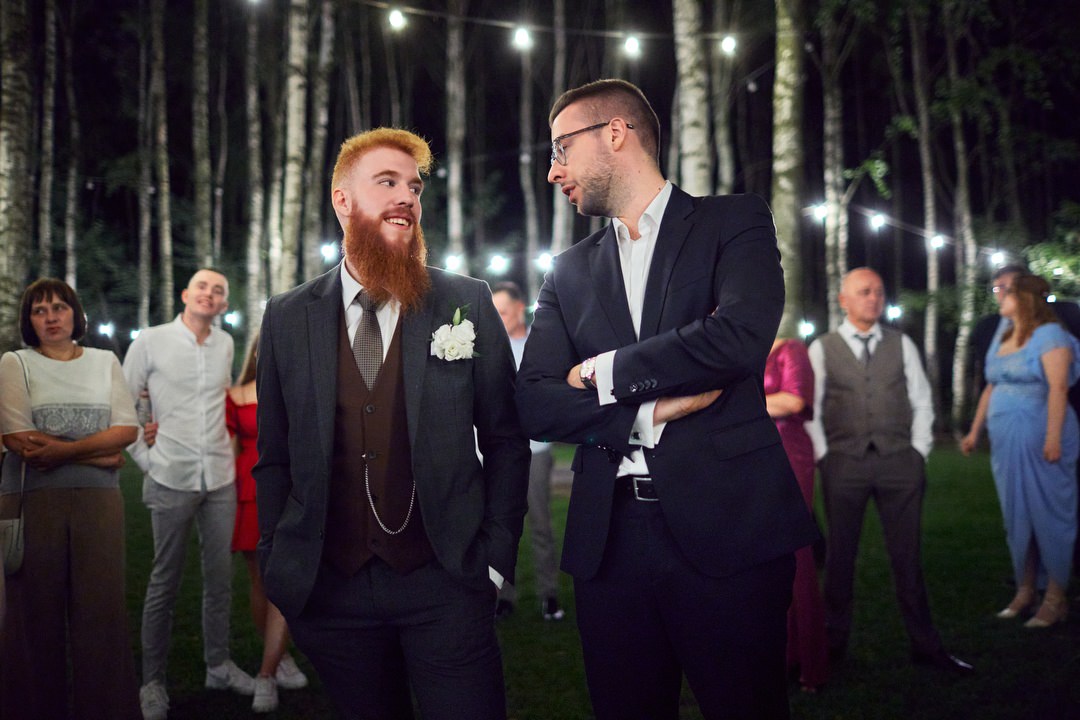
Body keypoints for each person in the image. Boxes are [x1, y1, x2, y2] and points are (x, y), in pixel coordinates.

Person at [515, 78, 818, 720]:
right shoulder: (567, 271)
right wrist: (646, 412)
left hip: (728, 529)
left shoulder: (733, 221)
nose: (553, 171)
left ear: (615, 133)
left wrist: (601, 372)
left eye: (561, 149)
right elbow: (535, 402)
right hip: (609, 545)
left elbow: (738, 339)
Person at [253, 127, 530, 720]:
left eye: (415, 186)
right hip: (331, 592)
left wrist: (494, 558)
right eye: (387, 182)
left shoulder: (465, 301)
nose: (407, 196)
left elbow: (506, 440)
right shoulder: (286, 317)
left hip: (446, 584)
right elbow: (273, 456)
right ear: (342, 199)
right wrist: (279, 559)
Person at [806, 267, 972, 672]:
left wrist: (918, 452)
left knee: (907, 559)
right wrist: (825, 456)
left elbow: (922, 400)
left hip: (900, 464)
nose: (874, 298)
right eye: (864, 292)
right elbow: (812, 408)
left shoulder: (901, 344)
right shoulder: (822, 348)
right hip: (844, 464)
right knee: (840, 560)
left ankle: (925, 645)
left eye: (879, 292)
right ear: (844, 301)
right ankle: (832, 646)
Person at [0, 278, 141, 719]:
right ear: (28, 320)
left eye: (59, 307)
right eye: (39, 310)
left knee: (102, 613)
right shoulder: (15, 363)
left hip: (99, 504)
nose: (51, 318)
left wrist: (62, 451)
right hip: (32, 501)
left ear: (75, 314)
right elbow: (19, 439)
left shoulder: (104, 361)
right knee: (34, 618)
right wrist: (98, 456)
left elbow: (127, 429)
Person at [123, 268, 254, 720]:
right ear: (185, 294)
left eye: (219, 290)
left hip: (218, 477)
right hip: (170, 474)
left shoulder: (225, 344)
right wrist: (146, 458)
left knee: (220, 579)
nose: (209, 294)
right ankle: (153, 682)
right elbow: (123, 401)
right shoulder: (151, 341)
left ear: (223, 305)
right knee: (164, 581)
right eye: (202, 286)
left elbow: (219, 402)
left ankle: (218, 666)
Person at [960, 274, 1079, 627]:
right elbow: (991, 386)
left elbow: (1058, 388)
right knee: (1018, 515)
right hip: (1007, 441)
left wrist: (1053, 438)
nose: (999, 296)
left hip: (1041, 436)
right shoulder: (1004, 334)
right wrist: (975, 430)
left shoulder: (1050, 335)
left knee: (1049, 514)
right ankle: (1026, 589)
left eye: (1005, 291)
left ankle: (1055, 597)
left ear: (1024, 297)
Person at [225, 334, 309, 713]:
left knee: (285, 579)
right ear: (256, 351)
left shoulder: (299, 388)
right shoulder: (234, 395)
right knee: (260, 581)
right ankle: (279, 657)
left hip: (289, 488)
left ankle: (266, 674)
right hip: (248, 489)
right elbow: (225, 449)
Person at [490, 281, 565, 621]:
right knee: (502, 526)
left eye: (503, 312)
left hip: (535, 449)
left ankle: (549, 595)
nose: (498, 319)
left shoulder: (540, 344)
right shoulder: (490, 346)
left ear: (520, 309)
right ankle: (504, 595)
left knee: (540, 524)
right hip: (499, 452)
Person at [764, 337, 828, 693]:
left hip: (789, 453)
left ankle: (808, 659)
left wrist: (733, 403)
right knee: (760, 558)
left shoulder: (789, 350)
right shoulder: (735, 352)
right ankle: (774, 656)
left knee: (796, 554)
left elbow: (794, 400)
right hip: (747, 458)